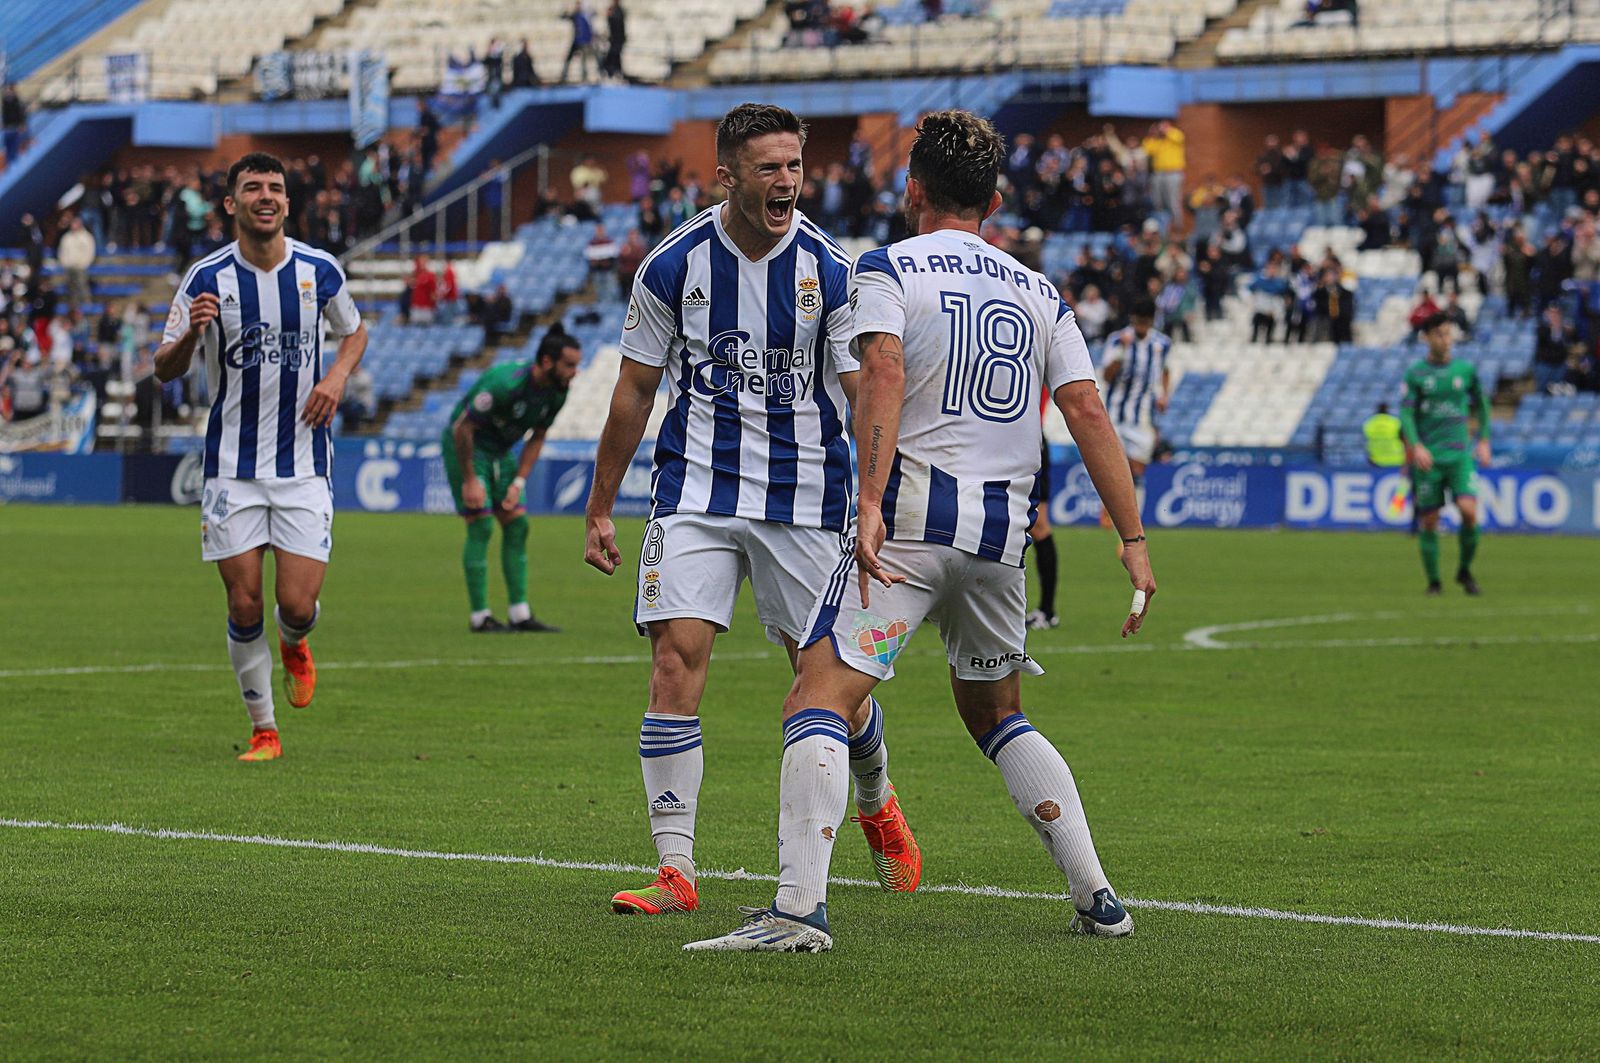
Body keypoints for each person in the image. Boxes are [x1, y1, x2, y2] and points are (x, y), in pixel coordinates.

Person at [684, 110, 1154, 953]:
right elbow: (1084, 407)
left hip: (909, 523)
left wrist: (866, 499)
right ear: (996, 200)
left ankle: (797, 911)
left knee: (816, 696)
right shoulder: (1040, 289)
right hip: (1000, 537)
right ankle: (1099, 896)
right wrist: (1133, 539)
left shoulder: (886, 265)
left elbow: (884, 371)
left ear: (913, 191)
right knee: (998, 712)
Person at [584, 103, 922, 919]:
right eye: (769, 168)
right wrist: (601, 504)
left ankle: (876, 796)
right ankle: (675, 868)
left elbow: (859, 391)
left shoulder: (832, 272)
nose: (787, 182)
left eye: (795, 167)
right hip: (695, 488)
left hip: (805, 498)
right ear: (726, 176)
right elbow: (633, 391)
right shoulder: (673, 265)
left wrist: (880, 497)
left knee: (830, 682)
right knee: (675, 663)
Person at [152, 152, 368, 763]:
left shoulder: (319, 270)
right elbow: (162, 366)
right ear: (232, 204)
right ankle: (264, 730)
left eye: (275, 187)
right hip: (231, 469)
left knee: (295, 605)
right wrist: (193, 334)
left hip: (303, 466)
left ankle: (296, 642)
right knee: (243, 601)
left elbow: (355, 331)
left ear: (286, 203)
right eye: (252, 188)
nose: (265, 196)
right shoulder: (205, 279)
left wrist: (337, 379)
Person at [443, 328, 580, 633]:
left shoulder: (558, 392)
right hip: (468, 446)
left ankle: (520, 613)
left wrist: (518, 482)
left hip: (500, 451)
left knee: (517, 524)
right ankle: (480, 617)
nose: (575, 372)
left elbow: (538, 436)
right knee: (481, 524)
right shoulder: (505, 383)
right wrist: (470, 480)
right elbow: (462, 429)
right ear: (547, 361)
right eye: (569, 365)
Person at [1400, 313, 1490, 597]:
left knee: (1468, 511)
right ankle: (1434, 582)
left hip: (1460, 454)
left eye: (1448, 333)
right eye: (1439, 334)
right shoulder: (1416, 374)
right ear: (1426, 337)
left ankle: (1464, 570)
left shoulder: (1464, 370)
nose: (1445, 339)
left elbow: (1483, 405)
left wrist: (1484, 439)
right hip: (1429, 457)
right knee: (1429, 520)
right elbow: (1406, 413)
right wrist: (1416, 446)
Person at [1097, 297, 1170, 556]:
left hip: (1142, 419)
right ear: (1132, 319)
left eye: (1145, 322)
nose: (1140, 327)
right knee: (1115, 468)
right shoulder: (1118, 340)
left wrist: (1164, 394)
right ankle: (1114, 516)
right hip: (1116, 416)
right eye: (1137, 322)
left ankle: (1129, 534)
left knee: (1138, 471)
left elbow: (1165, 370)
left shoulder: (1161, 344)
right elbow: (1106, 376)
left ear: (1151, 321)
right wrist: (1121, 354)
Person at [57, 217, 96, 308]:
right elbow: (61, 251)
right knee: (71, 287)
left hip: (81, 266)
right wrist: (64, 263)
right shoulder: (66, 237)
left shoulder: (86, 237)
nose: (73, 226)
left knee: (82, 285)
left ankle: (87, 304)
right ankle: (73, 306)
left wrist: (84, 263)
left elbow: (90, 252)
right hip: (68, 266)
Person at [560, 3, 597, 83]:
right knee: (569, 58)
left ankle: (584, 77)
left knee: (584, 60)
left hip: (583, 41)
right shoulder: (575, 15)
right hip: (576, 41)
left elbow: (589, 28)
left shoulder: (584, 16)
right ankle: (563, 76)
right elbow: (564, 17)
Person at [1363, 402, 1405, 467]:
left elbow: (1367, 440)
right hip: (1396, 459)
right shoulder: (1395, 422)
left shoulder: (1369, 423)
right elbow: (1403, 439)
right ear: (1387, 410)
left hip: (1376, 460)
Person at [602, 2, 627, 81]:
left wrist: (610, 16)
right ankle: (613, 73)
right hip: (614, 39)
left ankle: (614, 73)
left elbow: (619, 23)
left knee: (615, 55)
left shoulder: (619, 11)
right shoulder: (614, 10)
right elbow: (610, 24)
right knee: (614, 56)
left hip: (618, 38)